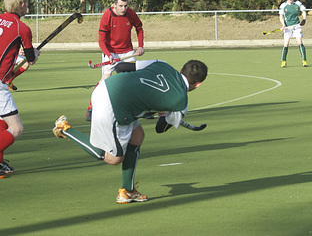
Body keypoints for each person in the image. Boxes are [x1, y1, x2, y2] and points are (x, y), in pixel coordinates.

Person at [53, 59, 208, 203]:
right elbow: (160, 128)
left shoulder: (161, 64)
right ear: (199, 84)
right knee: (114, 158)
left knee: (137, 136)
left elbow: (121, 67)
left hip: (107, 86)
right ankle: (65, 129)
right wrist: (163, 113)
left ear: (181, 69)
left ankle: (127, 191)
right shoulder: (181, 104)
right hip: (112, 105)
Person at [0, 0, 40, 179]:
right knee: (16, 128)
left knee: (3, 119)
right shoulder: (22, 28)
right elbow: (30, 59)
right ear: (22, 5)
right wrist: (34, 55)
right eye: (27, 3)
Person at [86, 0, 145, 121]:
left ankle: (137, 108)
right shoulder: (107, 16)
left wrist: (140, 46)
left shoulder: (130, 13)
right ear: (114, 5)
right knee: (105, 81)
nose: (123, 9)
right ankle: (91, 108)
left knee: (133, 79)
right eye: (120, 6)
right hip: (111, 51)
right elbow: (101, 41)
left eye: (125, 6)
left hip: (128, 51)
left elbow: (139, 28)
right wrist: (108, 55)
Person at [278, 0, 307, 67]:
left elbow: (303, 11)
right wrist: (283, 25)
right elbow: (281, 17)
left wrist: (304, 19)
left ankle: (304, 60)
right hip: (288, 27)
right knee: (286, 44)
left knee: (299, 42)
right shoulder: (283, 5)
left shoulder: (297, 3)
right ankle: (283, 61)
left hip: (297, 26)